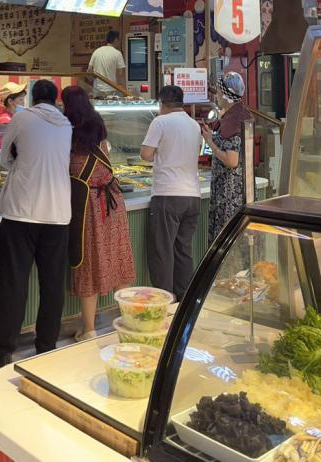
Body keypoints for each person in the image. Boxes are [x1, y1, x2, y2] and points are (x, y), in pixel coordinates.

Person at [0, 80, 72, 371]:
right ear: (55, 98)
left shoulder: (22, 118)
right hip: (58, 214)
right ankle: (46, 348)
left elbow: (4, 159)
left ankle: (2, 351)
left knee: (13, 283)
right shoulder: (66, 124)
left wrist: (22, 162)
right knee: (52, 285)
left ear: (32, 97)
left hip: (21, 212)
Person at [63, 86, 134, 341]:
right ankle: (128, 320)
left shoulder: (68, 134)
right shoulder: (99, 128)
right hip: (112, 202)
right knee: (118, 259)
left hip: (87, 207)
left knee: (88, 263)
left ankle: (90, 329)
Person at [142, 84, 204, 300]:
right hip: (192, 196)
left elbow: (145, 154)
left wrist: (161, 151)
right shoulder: (194, 125)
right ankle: (183, 300)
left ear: (162, 103)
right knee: (183, 250)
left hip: (167, 194)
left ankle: (164, 301)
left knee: (162, 252)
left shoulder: (160, 122)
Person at [201, 71, 248, 240]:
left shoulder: (231, 120)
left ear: (226, 95)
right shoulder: (241, 114)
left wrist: (210, 142)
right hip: (240, 189)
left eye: (219, 91)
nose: (217, 95)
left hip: (228, 193)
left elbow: (231, 160)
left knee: (225, 239)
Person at [88, 30, 126, 98]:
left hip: (97, 90)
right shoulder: (117, 53)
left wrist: (92, 84)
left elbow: (89, 70)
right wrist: (124, 90)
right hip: (111, 90)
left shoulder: (96, 51)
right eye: (119, 40)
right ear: (116, 40)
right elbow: (121, 74)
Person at [0, 82, 27, 150]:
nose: (23, 103)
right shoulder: (6, 120)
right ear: (10, 101)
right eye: (21, 99)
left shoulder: (11, 118)